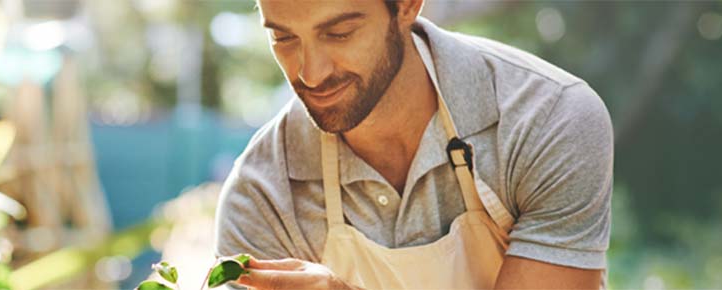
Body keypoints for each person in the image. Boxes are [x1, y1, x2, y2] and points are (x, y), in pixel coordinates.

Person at [214, 0, 613, 289]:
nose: (311, 73)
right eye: (284, 38)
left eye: (339, 33)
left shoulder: (547, 117)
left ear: (407, 5)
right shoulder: (264, 196)